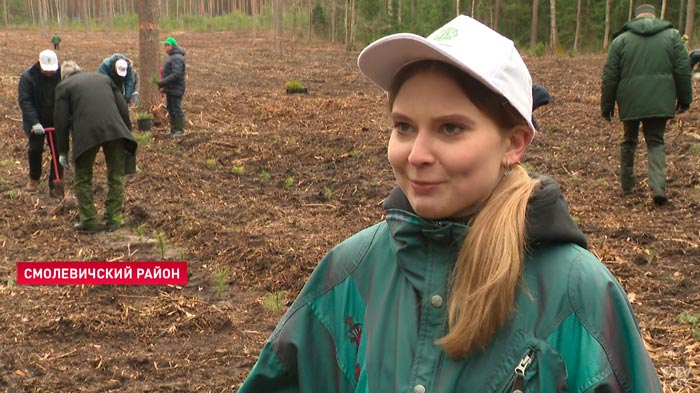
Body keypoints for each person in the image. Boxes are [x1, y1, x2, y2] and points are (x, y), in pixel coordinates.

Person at [240, 15, 662, 392]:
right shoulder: (351, 271)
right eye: (404, 127)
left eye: (451, 128)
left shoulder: (577, 293)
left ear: (514, 142)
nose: (416, 154)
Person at [601, 3, 692, 205]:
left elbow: (609, 76)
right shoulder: (672, 36)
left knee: (628, 141)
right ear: (654, 16)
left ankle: (627, 187)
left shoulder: (621, 40)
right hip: (660, 99)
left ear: (636, 17)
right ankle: (658, 188)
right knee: (656, 141)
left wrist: (606, 106)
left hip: (630, 100)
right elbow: (683, 70)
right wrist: (685, 100)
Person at [53, 61, 137, 233]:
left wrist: (63, 150)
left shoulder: (63, 86)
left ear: (64, 76)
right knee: (116, 176)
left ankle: (89, 220)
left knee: (83, 178)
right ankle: (113, 219)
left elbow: (60, 120)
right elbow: (123, 108)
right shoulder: (104, 79)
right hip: (115, 130)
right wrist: (127, 134)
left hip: (86, 134)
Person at [17, 49, 63, 197]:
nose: (50, 73)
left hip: (56, 119)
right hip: (36, 120)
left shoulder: (61, 75)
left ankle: (55, 181)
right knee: (35, 149)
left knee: (59, 151)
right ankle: (34, 178)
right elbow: (25, 101)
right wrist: (34, 122)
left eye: (52, 70)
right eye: (47, 70)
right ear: (40, 65)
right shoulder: (29, 77)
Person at [158, 37, 186, 137]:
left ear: (172, 46)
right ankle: (173, 130)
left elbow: (176, 74)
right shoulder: (172, 57)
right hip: (171, 88)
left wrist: (162, 82)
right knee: (171, 109)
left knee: (177, 109)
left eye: (166, 45)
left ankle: (180, 130)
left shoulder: (177, 57)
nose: (164, 47)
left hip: (176, 88)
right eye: (164, 45)